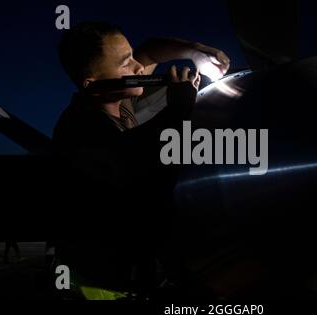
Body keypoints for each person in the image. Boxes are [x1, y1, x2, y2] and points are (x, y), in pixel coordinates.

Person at [52, 21, 230, 299]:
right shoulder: (78, 128)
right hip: (98, 286)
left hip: (136, 277)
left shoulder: (121, 101)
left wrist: (195, 51)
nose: (138, 68)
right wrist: (179, 107)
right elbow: (134, 158)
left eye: (132, 57)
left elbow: (150, 52)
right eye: (126, 64)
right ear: (92, 84)